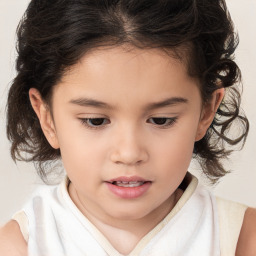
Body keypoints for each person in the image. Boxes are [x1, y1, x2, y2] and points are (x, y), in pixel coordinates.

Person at [0, 0, 255, 255]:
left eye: (161, 120)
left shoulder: (242, 238)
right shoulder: (20, 245)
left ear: (206, 112)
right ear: (47, 117)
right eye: (95, 121)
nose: (129, 153)